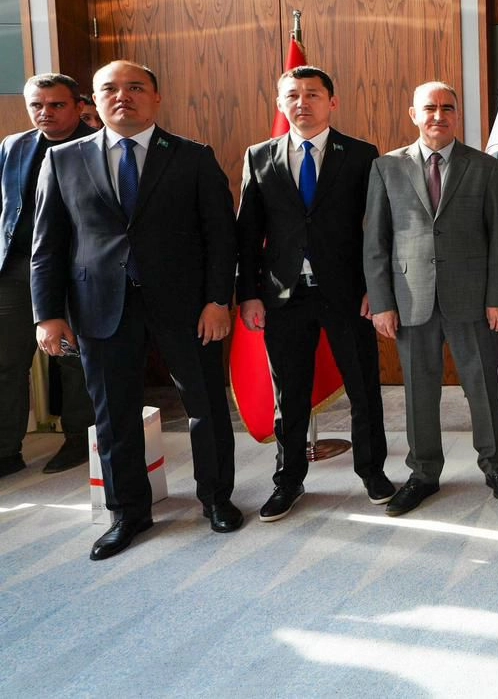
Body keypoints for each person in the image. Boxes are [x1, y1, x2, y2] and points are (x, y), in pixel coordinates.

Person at [33, 61, 239, 560]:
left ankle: (216, 498)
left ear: (156, 97)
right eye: (110, 89)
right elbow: (48, 245)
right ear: (94, 101)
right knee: (114, 415)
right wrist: (47, 314)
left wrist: (218, 300)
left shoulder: (193, 157)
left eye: (135, 87)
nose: (122, 96)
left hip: (187, 306)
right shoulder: (62, 159)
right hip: (99, 306)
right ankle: (127, 513)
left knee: (206, 407)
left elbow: (221, 236)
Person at [236, 66, 392, 520]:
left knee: (364, 389)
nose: (302, 103)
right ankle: (288, 480)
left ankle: (372, 472)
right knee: (290, 394)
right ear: (280, 104)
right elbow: (248, 233)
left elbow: (376, 229)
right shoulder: (259, 156)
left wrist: (376, 289)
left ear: (332, 102)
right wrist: (248, 294)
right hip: (284, 295)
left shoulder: (361, 154)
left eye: (312, 94)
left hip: (347, 292)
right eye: (292, 95)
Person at [363, 81, 498, 515]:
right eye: (429, 108)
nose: (438, 115)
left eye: (447, 108)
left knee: (483, 386)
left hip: (473, 298)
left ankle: (495, 465)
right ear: (414, 114)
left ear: (457, 114)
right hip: (411, 299)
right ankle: (424, 473)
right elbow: (375, 242)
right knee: (419, 391)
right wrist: (382, 302)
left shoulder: (485, 167)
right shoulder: (386, 167)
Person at [1, 74, 97, 478]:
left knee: (73, 360)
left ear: (79, 106)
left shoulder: (97, 146)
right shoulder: (13, 145)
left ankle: (79, 438)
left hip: (73, 267)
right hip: (16, 269)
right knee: (6, 361)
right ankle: (6, 450)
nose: (45, 113)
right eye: (36, 105)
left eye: (57, 105)